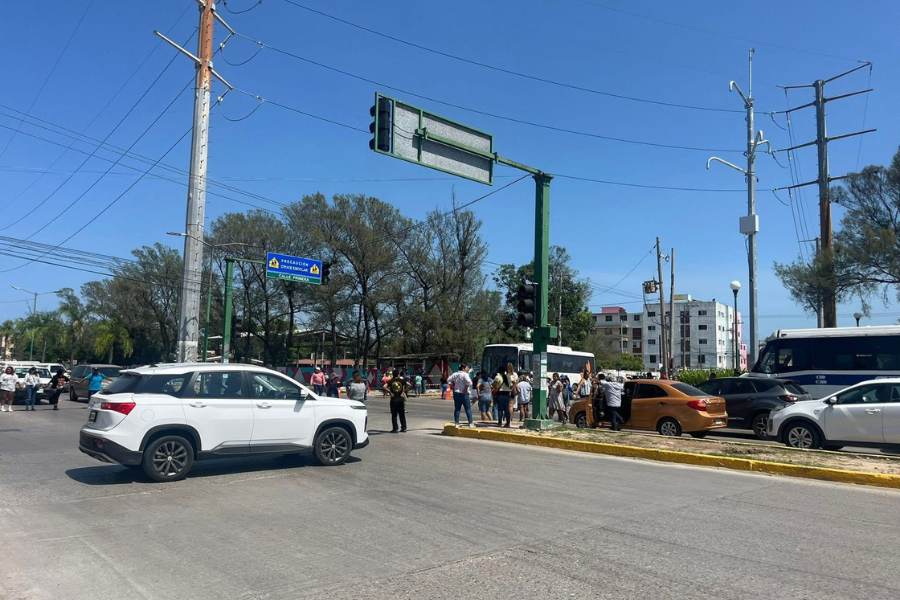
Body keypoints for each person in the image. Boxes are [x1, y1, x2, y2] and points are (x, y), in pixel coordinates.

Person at [384, 369, 408, 433]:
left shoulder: (390, 381)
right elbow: (409, 385)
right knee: (402, 414)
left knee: (394, 415)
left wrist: (390, 392)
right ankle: (404, 428)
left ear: (393, 374)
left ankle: (395, 429)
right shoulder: (402, 380)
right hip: (401, 399)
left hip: (393, 399)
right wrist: (404, 391)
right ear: (398, 374)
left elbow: (384, 387)